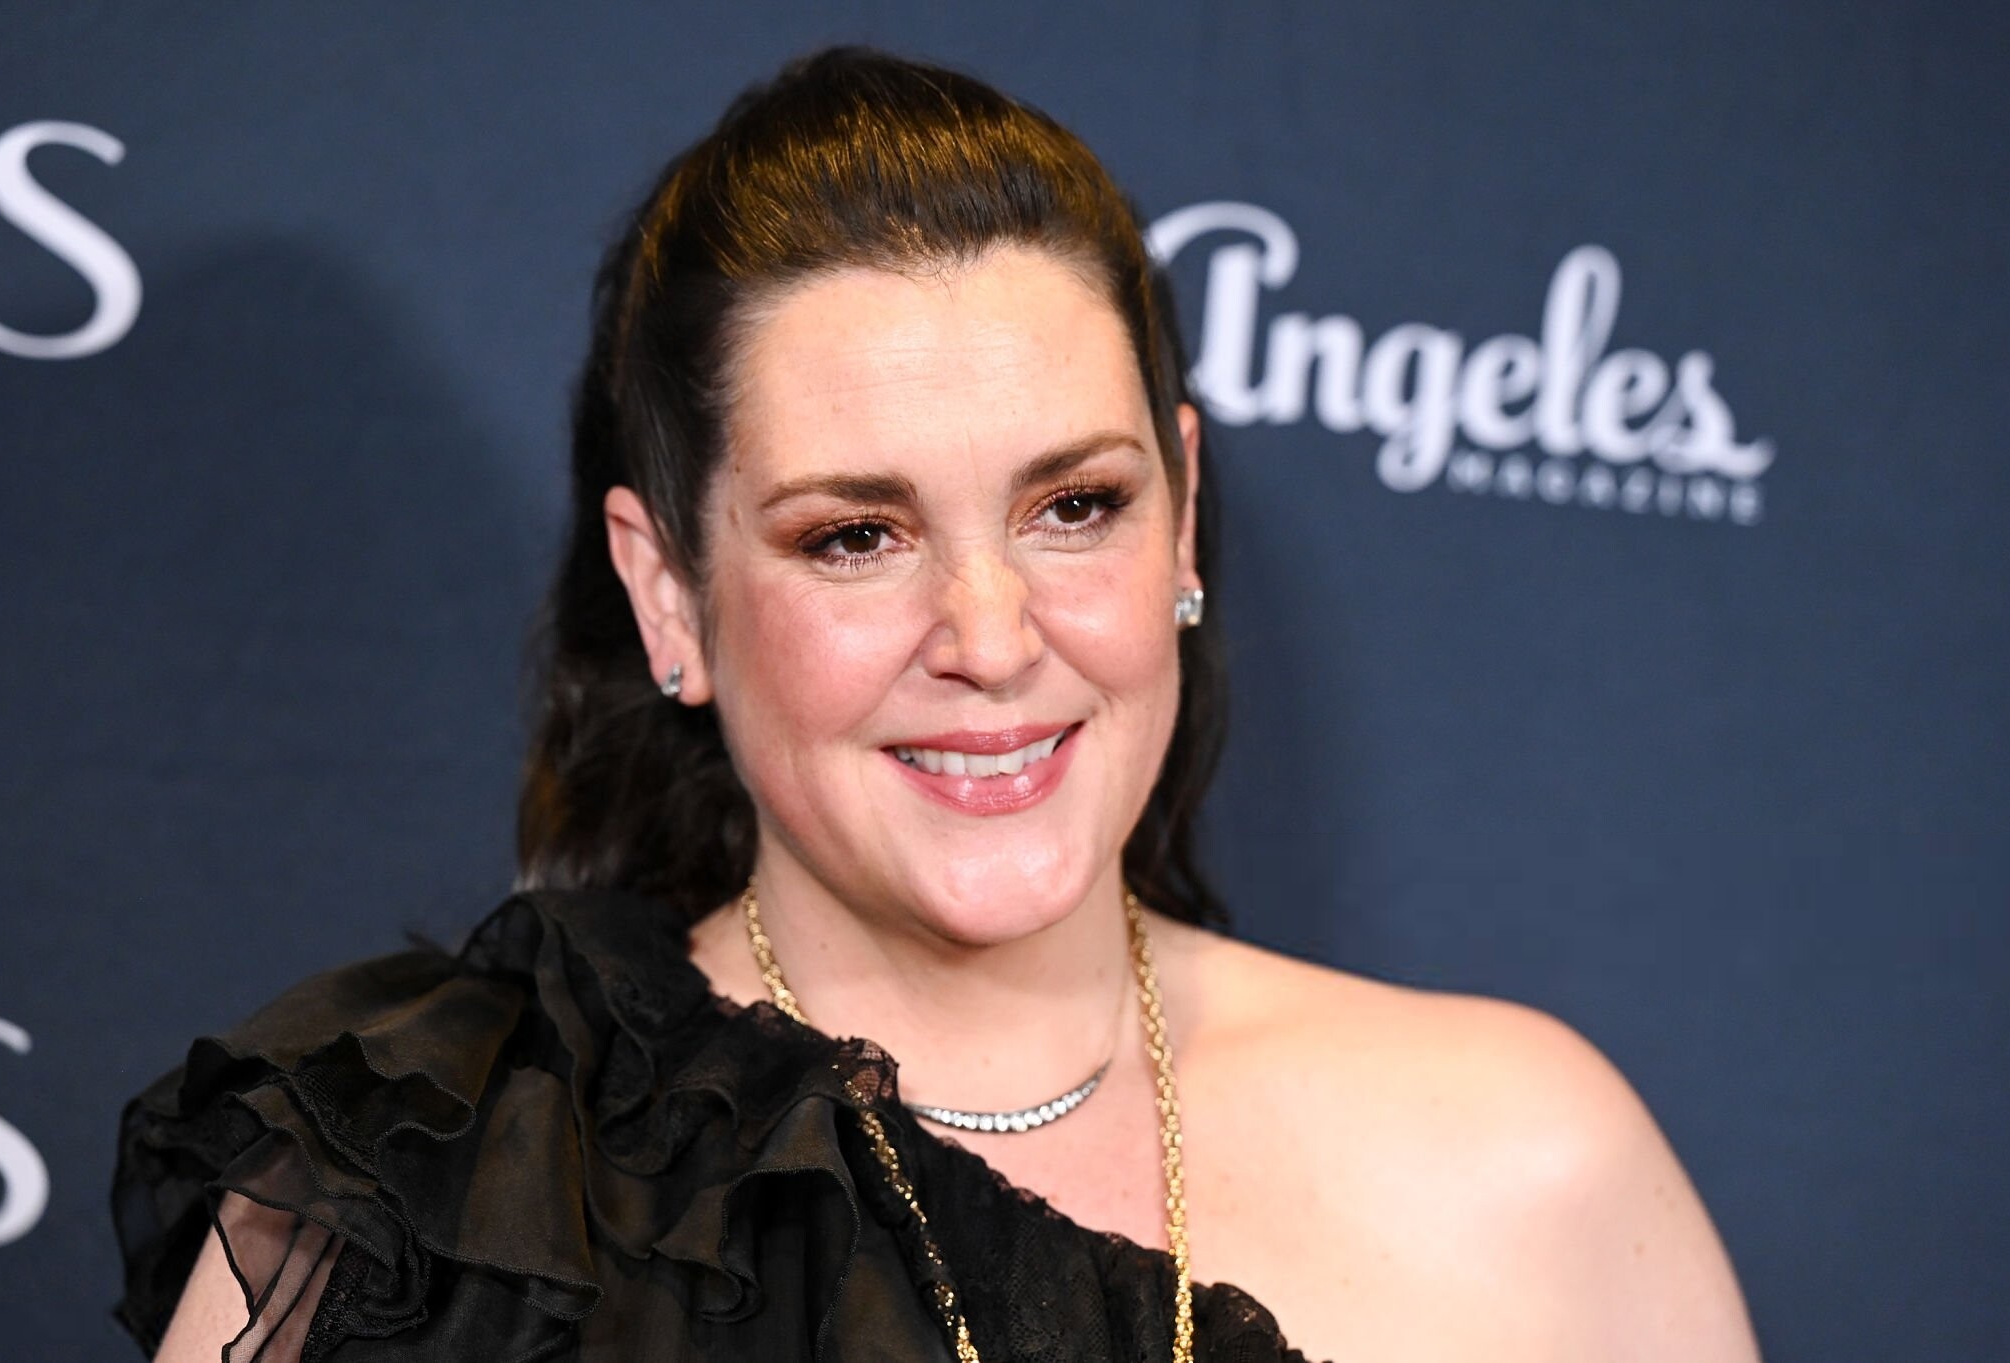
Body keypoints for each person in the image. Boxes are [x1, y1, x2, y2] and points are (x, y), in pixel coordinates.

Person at [113, 46, 1762, 1363]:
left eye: (1075, 507)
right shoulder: (422, 1203)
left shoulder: (1530, 1169)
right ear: (669, 594)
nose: (990, 636)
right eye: (856, 536)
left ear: (1183, 512)